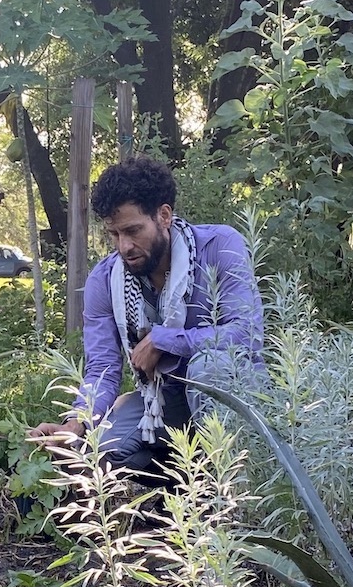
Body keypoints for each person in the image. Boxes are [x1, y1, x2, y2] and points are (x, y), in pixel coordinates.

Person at [30, 155, 265, 475]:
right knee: (99, 454)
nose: (124, 246)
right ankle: (175, 490)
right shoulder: (104, 280)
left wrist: (166, 340)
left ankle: (234, 489)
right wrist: (76, 423)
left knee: (209, 368)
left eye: (133, 230)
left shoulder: (219, 246)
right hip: (161, 403)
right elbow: (102, 369)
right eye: (114, 234)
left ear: (164, 216)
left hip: (236, 398)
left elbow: (246, 334)